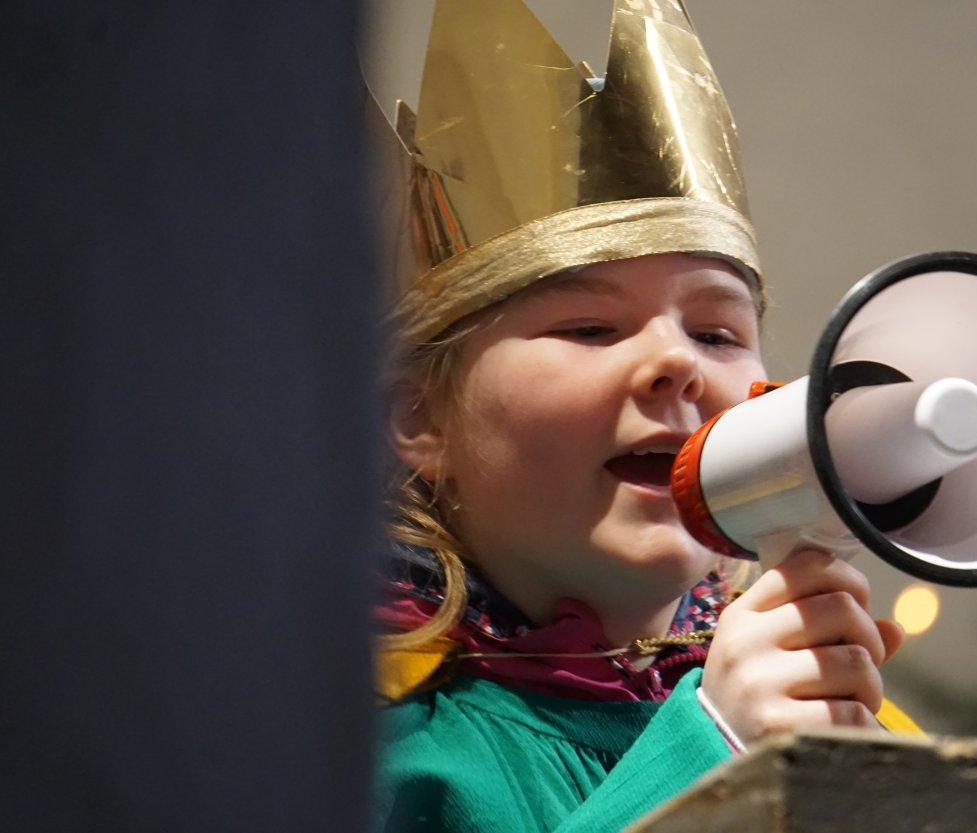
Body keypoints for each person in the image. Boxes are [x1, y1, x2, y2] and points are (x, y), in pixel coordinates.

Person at [368, 2, 918, 831]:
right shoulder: (378, 751)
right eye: (590, 327)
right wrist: (712, 754)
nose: (677, 361)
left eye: (717, 331)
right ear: (422, 418)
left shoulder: (838, 714)